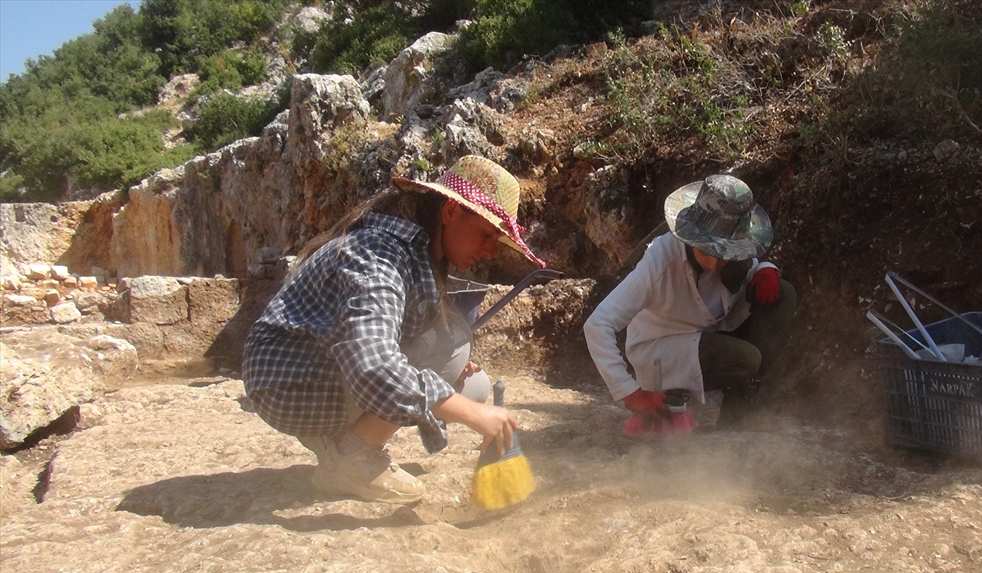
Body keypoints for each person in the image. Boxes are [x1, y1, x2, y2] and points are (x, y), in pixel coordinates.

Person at [242, 155, 546, 503]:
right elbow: (373, 365)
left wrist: (450, 382)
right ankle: (352, 458)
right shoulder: (377, 255)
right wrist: (476, 415)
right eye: (487, 233)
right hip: (287, 380)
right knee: (454, 355)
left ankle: (338, 443)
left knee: (470, 384)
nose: (490, 250)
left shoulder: (416, 254)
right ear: (449, 213)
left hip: (320, 367)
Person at [584, 174, 796, 433]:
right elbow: (597, 325)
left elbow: (752, 271)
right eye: (710, 250)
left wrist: (766, 269)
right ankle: (675, 393)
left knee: (783, 293)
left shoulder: (736, 256)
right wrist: (632, 394)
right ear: (692, 236)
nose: (718, 262)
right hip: (661, 348)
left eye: (725, 253)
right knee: (745, 358)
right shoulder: (658, 263)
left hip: (708, 333)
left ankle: (741, 403)